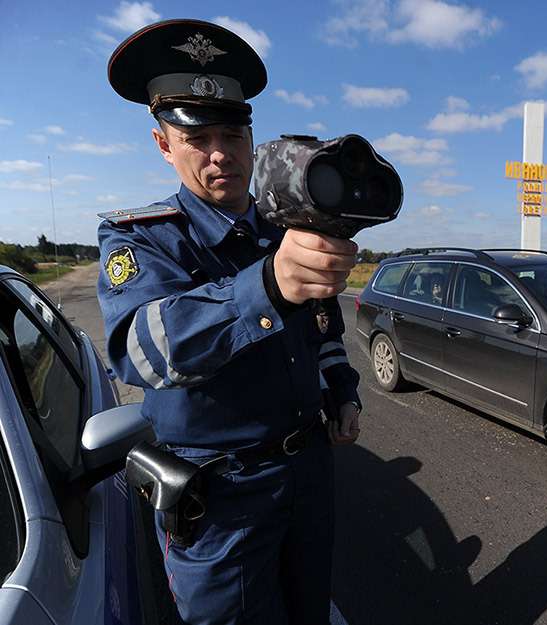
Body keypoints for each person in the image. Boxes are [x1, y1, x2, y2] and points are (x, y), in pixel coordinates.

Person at [97, 19, 360, 625]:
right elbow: (140, 351)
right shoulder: (142, 238)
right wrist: (266, 286)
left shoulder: (283, 229)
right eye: (199, 137)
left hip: (307, 473)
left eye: (233, 133)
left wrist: (342, 388)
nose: (220, 153)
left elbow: (322, 327)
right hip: (221, 499)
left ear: (251, 137)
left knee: (309, 609)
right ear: (164, 144)